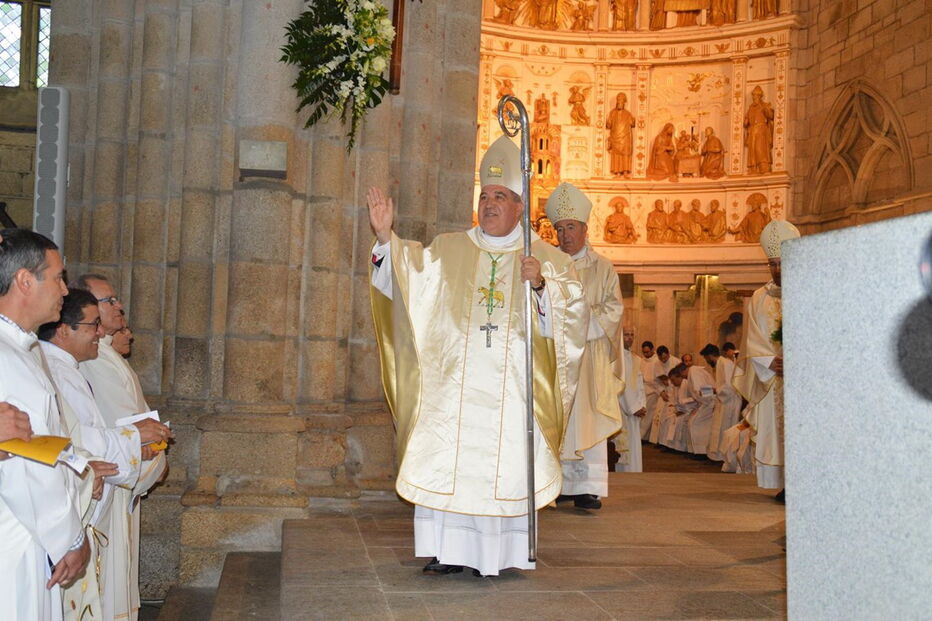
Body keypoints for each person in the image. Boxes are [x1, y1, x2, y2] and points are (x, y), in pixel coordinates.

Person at [367, 135, 588, 576]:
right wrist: (386, 238)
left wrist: (541, 285)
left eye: (500, 196)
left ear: (519, 207)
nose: (489, 204)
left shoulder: (547, 260)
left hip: (513, 395)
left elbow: (572, 324)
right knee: (449, 458)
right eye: (484, 196)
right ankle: (448, 551)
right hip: (454, 393)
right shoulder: (448, 249)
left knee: (502, 468)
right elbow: (408, 281)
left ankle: (496, 556)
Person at [40, 288, 165, 621]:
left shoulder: (67, 368)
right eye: (92, 325)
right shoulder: (57, 371)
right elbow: (75, 440)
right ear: (64, 330)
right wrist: (134, 438)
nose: (100, 333)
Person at [0, 228, 89, 620]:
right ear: (24, 280)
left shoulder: (20, 350)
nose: (65, 290)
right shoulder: (10, 359)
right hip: (19, 536)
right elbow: (29, 466)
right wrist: (69, 537)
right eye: (57, 278)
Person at [74, 274, 169, 621]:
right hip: (109, 480)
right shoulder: (94, 359)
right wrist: (147, 455)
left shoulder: (105, 355)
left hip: (117, 477)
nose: (119, 307)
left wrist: (151, 450)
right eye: (109, 301)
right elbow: (121, 429)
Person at [549, 182, 625, 509]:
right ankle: (555, 485)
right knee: (557, 419)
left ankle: (587, 488)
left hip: (589, 356)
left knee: (588, 418)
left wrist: (580, 324)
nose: (565, 235)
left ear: (584, 229)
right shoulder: (548, 265)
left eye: (570, 227)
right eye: (559, 228)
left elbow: (614, 309)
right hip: (555, 356)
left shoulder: (602, 267)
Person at [733, 220, 800, 501]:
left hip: (804, 380)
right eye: (772, 264)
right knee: (778, 433)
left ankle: (804, 484)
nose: (778, 269)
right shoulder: (760, 298)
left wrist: (800, 360)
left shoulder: (811, 290)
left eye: (783, 263)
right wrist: (770, 361)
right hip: (773, 378)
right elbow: (752, 338)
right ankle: (786, 484)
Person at [700, 343, 741, 461]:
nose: (707, 361)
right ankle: (718, 456)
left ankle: (726, 457)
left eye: (706, 358)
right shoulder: (720, 364)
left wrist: (714, 390)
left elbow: (729, 385)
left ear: (710, 356)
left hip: (730, 401)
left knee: (725, 428)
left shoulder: (725, 363)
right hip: (724, 400)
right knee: (719, 428)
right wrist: (713, 391)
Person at [616, 326, 646, 472]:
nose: (630, 337)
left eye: (632, 335)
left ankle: (634, 471)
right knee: (624, 445)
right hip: (624, 408)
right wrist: (633, 408)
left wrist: (642, 405)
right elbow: (621, 385)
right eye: (626, 334)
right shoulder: (617, 358)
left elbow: (640, 384)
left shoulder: (635, 358)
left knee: (634, 443)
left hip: (635, 407)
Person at [668, 362, 715, 455]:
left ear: (682, 371)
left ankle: (701, 452)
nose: (682, 377)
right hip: (704, 403)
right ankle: (697, 451)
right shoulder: (692, 373)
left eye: (681, 374)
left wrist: (704, 400)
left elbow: (703, 390)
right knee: (692, 422)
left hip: (709, 402)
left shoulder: (694, 372)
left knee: (695, 423)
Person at [745, 86, 774, 174]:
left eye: (755, 95)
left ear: (759, 96)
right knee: (752, 150)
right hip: (752, 130)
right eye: (753, 95)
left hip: (761, 129)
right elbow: (747, 119)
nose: (754, 97)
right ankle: (753, 168)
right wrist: (746, 121)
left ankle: (763, 167)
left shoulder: (764, 105)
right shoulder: (751, 107)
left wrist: (765, 108)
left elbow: (770, 116)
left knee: (760, 148)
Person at [606, 93, 636, 177]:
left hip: (625, 137)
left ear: (624, 103)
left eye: (621, 101)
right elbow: (609, 125)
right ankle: (617, 172)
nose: (620, 102)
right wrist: (607, 122)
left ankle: (625, 171)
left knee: (625, 153)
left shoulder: (628, 114)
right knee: (616, 154)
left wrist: (634, 120)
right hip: (615, 137)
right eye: (618, 100)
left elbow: (632, 124)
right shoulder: (612, 113)